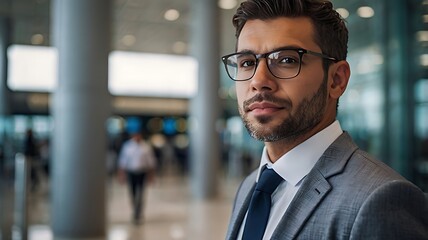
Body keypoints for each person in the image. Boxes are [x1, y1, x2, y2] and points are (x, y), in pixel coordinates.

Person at [222, 0, 428, 239]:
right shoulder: (250, 186)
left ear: (336, 80)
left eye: (287, 59)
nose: (259, 81)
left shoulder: (380, 200)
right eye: (247, 63)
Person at [118, 132, 157, 224]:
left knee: (141, 192)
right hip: (131, 172)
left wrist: (151, 176)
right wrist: (121, 175)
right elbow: (122, 162)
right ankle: (135, 209)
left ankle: (139, 211)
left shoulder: (146, 147)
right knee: (133, 192)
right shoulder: (127, 146)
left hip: (142, 172)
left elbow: (151, 162)